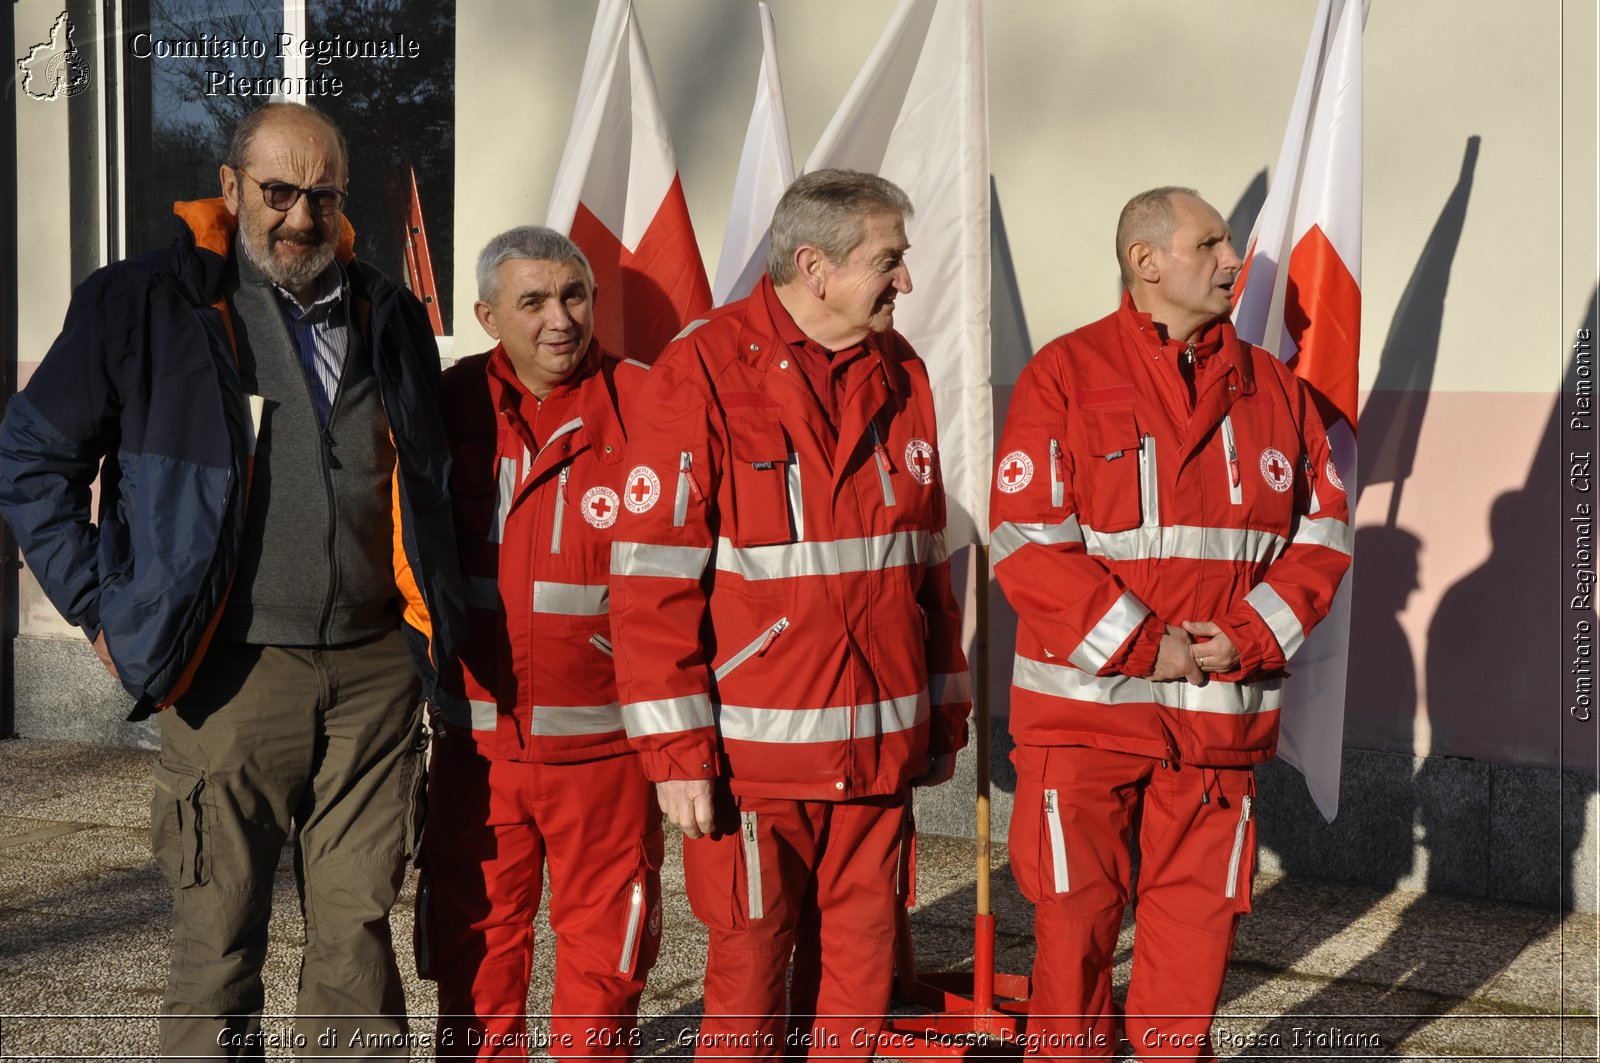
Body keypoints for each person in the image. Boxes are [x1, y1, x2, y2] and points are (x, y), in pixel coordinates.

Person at [0, 102, 464, 1057]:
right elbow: (31, 458)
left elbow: (429, 477)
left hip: (375, 675)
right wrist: (99, 608)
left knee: (357, 939)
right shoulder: (144, 302)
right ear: (230, 188)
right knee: (218, 940)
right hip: (229, 674)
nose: (301, 217)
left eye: (322, 196)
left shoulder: (390, 310)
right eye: (279, 192)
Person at [607, 169, 971, 1060]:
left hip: (878, 755)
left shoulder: (901, 371)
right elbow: (652, 584)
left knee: (861, 982)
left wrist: (944, 709)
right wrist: (676, 755)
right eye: (889, 261)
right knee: (748, 987)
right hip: (752, 766)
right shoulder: (701, 369)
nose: (907, 282)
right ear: (815, 265)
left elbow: (923, 563)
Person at [989, 186, 1352, 1061]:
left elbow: (1325, 534)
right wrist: (1152, 646)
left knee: (1193, 945)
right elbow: (1028, 545)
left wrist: (1251, 636)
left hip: (1217, 728)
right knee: (1072, 941)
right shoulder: (1064, 376)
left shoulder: (1277, 391)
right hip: (1084, 724)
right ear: (1146, 262)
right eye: (1212, 243)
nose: (1236, 261)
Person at [415, 226, 662, 1058]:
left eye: (575, 296)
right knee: (473, 949)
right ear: (488, 316)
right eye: (534, 301)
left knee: (608, 961)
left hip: (607, 753)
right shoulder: (443, 408)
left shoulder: (646, 405)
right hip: (476, 750)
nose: (561, 319)